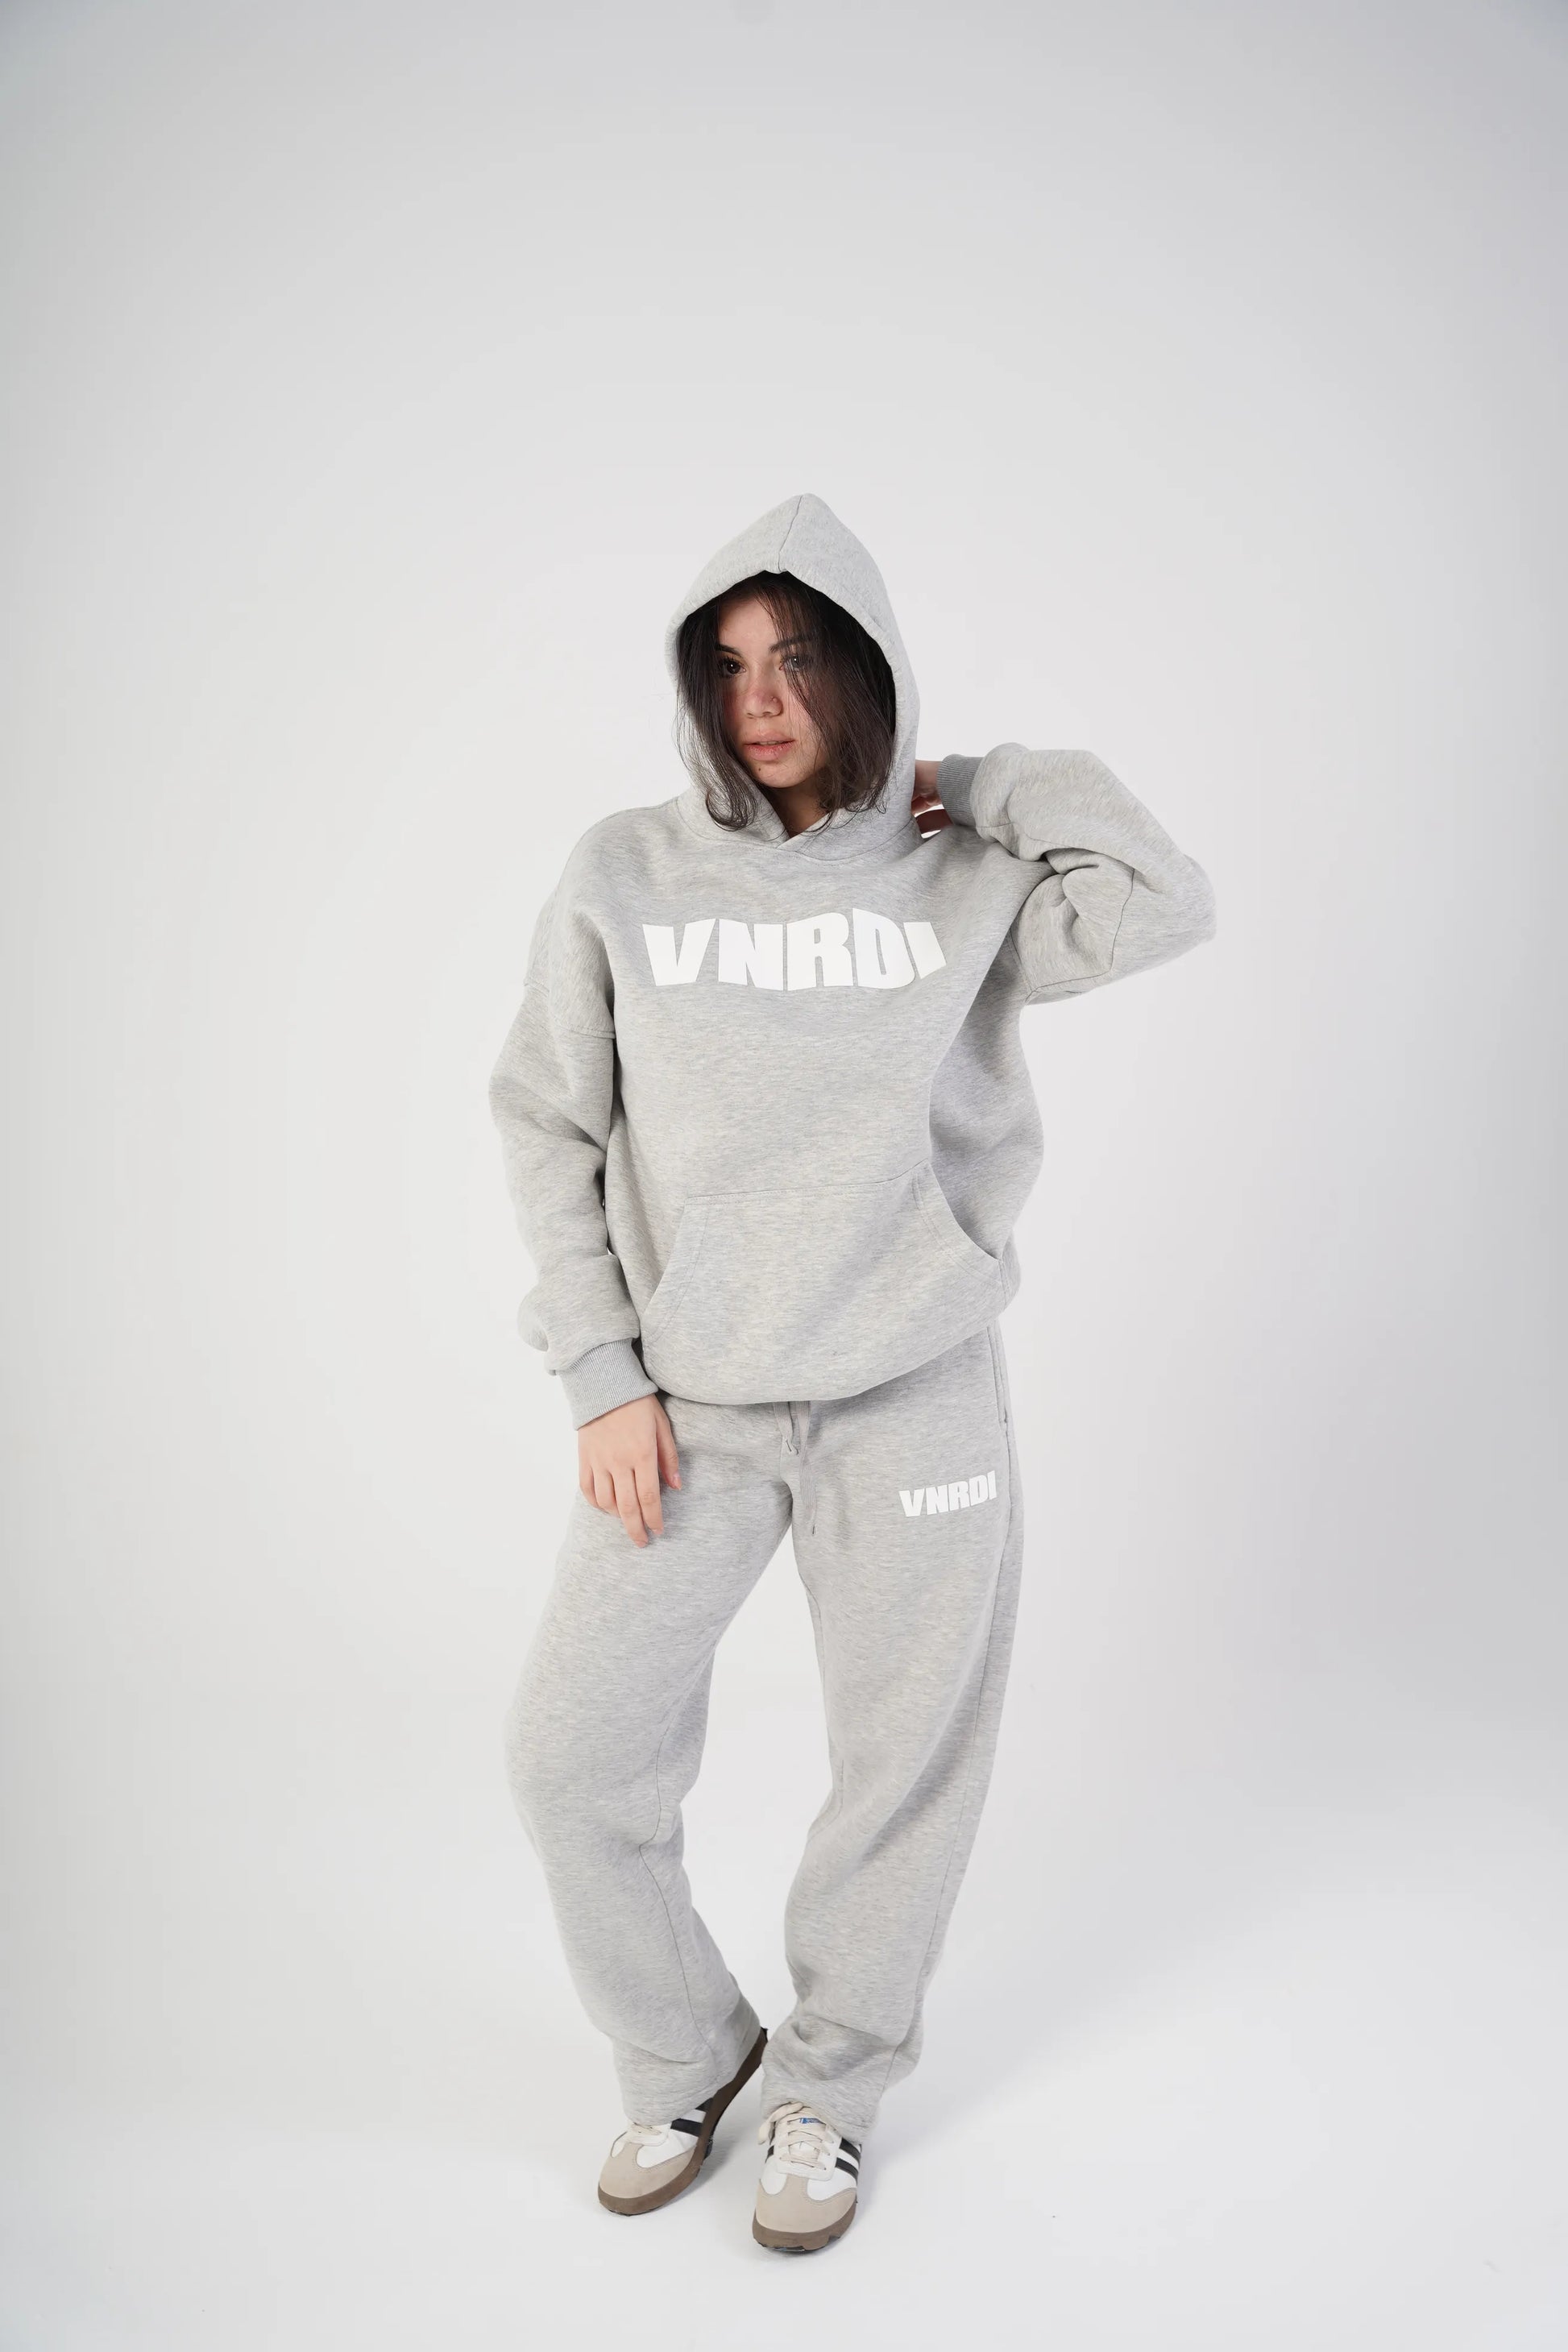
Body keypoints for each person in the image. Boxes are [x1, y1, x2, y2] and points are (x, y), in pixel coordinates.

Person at [487, 492, 1217, 2252]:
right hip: (691, 1408)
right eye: (730, 663)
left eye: (801, 656)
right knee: (572, 1754)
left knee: (901, 1764)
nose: (762, 697)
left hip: (913, 1389)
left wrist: (984, 779)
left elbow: (1162, 903)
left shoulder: (964, 879)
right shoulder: (623, 873)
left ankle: (832, 2079)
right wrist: (601, 1371)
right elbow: (545, 1120)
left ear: (867, 668)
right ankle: (687, 2048)